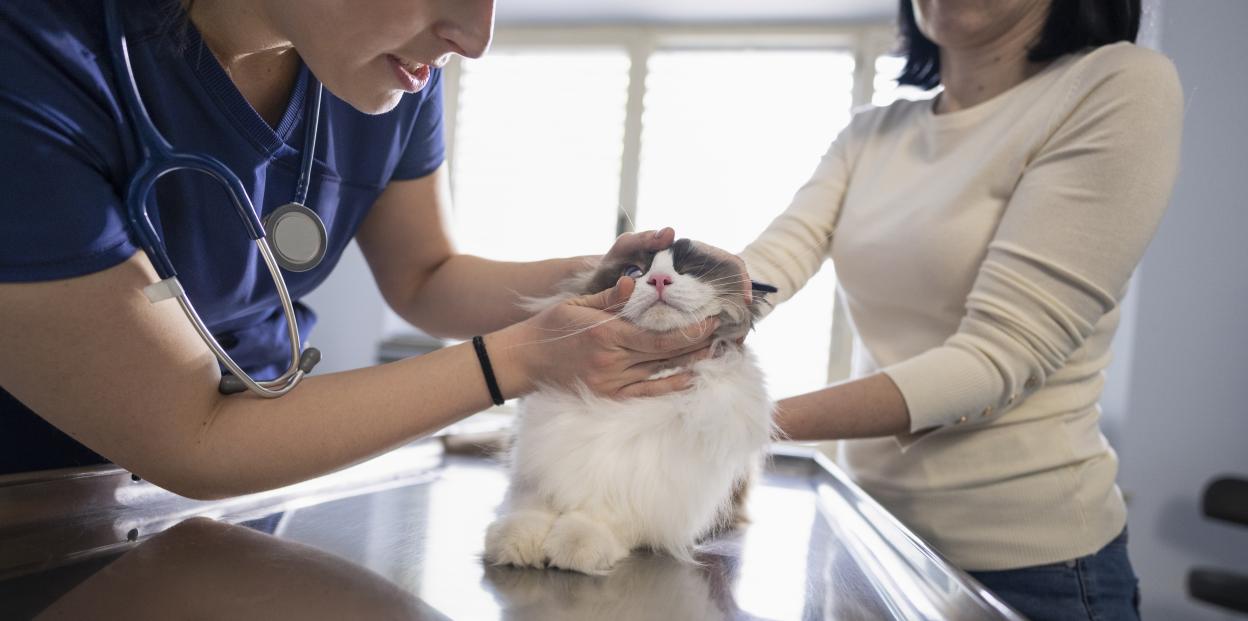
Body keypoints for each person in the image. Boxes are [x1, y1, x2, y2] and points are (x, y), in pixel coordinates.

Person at [0, 0, 718, 496]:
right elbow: (192, 435)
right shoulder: (30, 62)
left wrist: (611, 282)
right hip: (37, 520)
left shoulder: (388, 60)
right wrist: (526, 356)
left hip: (240, 500)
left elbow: (426, 275)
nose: (476, 37)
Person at [740, 1, 1181, 619]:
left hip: (1035, 571)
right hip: (876, 535)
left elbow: (994, 360)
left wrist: (737, 420)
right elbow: (769, 265)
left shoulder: (1115, 84)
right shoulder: (873, 133)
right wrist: (663, 300)